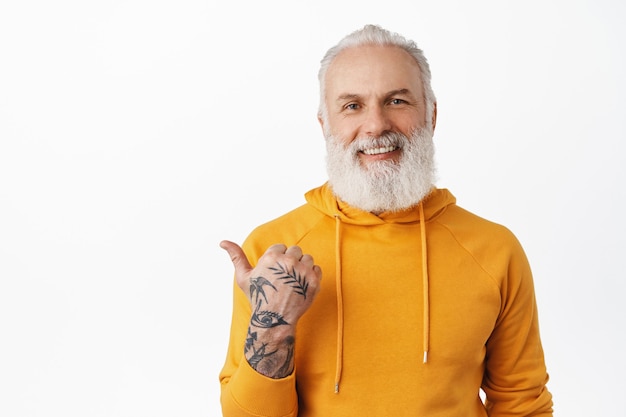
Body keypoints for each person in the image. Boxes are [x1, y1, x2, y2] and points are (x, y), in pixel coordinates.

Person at [218, 24, 553, 416]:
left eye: (396, 101)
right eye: (352, 106)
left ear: (431, 115)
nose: (376, 125)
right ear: (326, 125)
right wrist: (272, 325)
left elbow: (522, 405)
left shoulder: (495, 250)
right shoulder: (275, 250)